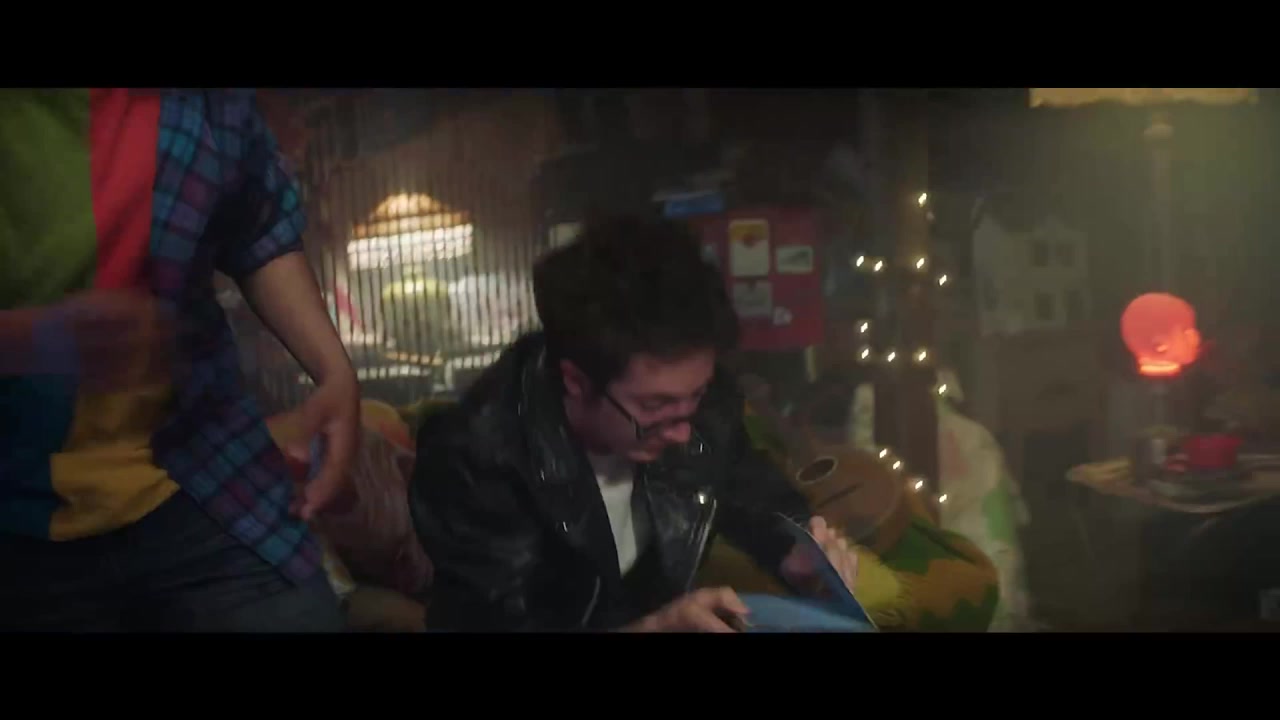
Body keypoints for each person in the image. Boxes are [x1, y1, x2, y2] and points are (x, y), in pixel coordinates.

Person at [0, 88, 359, 631]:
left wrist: (335, 372)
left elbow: (259, 227)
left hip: (199, 475)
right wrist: (34, 341)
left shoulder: (208, 102)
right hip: (17, 518)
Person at [409, 215, 860, 632]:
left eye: (695, 396)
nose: (683, 431)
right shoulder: (475, 456)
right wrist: (654, 629)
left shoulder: (701, 404)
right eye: (654, 407)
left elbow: (756, 494)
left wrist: (797, 551)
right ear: (576, 382)